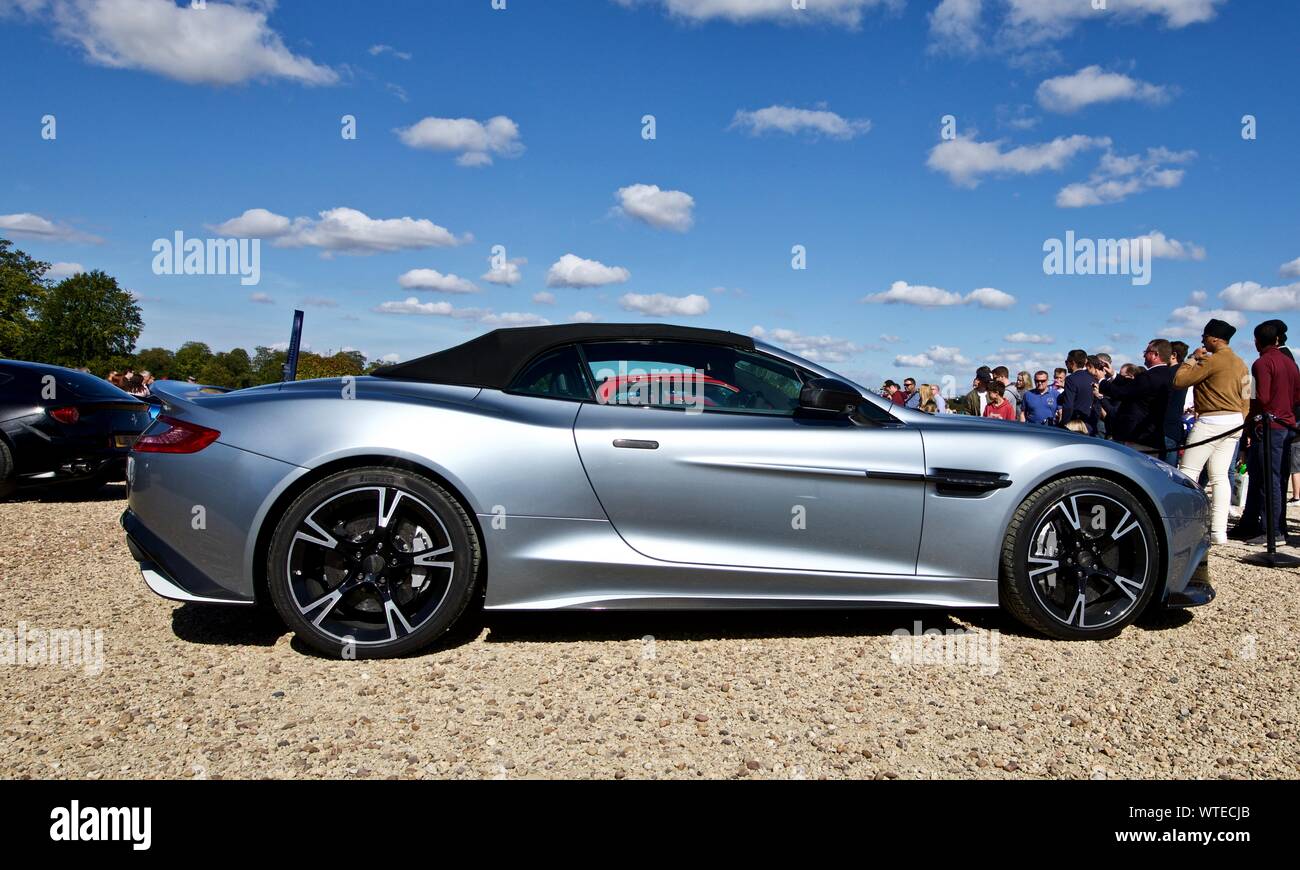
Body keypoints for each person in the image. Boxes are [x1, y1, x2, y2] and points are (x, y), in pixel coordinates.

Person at [1175, 319, 1251, 545]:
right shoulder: (1241, 363)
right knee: (1220, 477)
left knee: (1188, 472)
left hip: (1210, 420)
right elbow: (1247, 396)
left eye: (1205, 336)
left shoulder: (1210, 360)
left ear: (1215, 338)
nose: (1202, 340)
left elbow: (1180, 381)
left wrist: (1192, 359)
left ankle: (1182, 526)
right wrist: (1241, 420)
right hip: (1235, 421)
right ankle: (1219, 531)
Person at [1237, 321, 1300, 544]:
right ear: (1277, 340)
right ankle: (1269, 526)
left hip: (1269, 426)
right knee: (1276, 479)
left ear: (1257, 341)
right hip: (1286, 424)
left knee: (1268, 480)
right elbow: (1296, 397)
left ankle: (1272, 531)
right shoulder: (1291, 363)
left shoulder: (1262, 363)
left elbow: (1261, 397)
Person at [1098, 339, 1176, 456]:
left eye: (1146, 351)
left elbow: (1123, 393)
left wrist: (1101, 380)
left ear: (1155, 355)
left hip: (1139, 436)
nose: (1143, 355)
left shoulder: (1149, 377)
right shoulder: (1168, 375)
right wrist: (1113, 375)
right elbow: (1133, 387)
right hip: (1154, 435)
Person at [1058, 349, 1098, 434]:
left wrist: (1063, 424)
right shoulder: (1093, 378)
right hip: (1090, 424)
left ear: (1072, 363)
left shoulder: (1071, 379)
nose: (1066, 365)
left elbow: (1068, 405)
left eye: (1066, 362)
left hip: (1075, 426)